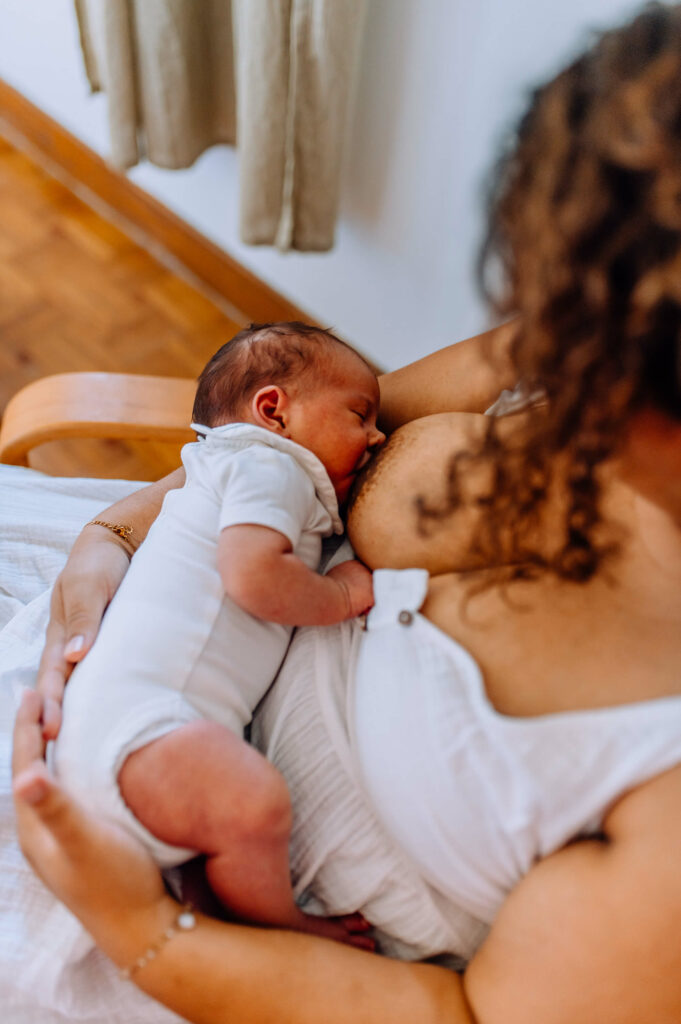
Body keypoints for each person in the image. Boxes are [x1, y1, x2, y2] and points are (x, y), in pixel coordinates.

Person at [13, 2, 681, 1020]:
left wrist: (140, 931)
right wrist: (118, 538)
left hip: (223, 931)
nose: (536, 344)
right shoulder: (594, 335)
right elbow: (279, 444)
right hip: (141, 660)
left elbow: (464, 1015)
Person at [54, 321, 383, 946]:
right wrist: (340, 594)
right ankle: (275, 923)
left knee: (221, 809)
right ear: (274, 412)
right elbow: (253, 576)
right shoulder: (270, 466)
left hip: (120, 733)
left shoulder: (224, 467)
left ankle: (206, 884)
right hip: (147, 734)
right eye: (360, 414)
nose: (377, 435)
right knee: (254, 803)